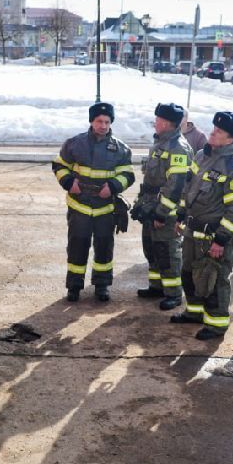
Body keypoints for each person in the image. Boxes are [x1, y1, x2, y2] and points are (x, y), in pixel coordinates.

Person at [170, 111, 233, 340]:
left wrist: (221, 240)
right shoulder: (201, 156)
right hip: (191, 231)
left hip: (212, 238)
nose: (212, 133)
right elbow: (189, 188)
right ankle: (194, 312)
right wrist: (180, 215)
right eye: (214, 129)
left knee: (214, 282)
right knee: (188, 274)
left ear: (231, 139)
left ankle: (216, 325)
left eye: (219, 131)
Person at [53, 102, 134, 302]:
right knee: (77, 246)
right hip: (79, 206)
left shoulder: (120, 149)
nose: (103, 125)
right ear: (91, 121)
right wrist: (69, 182)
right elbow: (59, 165)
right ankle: (74, 287)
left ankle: (102, 285)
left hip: (105, 208)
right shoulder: (74, 143)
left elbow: (128, 174)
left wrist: (114, 186)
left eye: (107, 121)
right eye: (99, 121)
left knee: (104, 247)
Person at [133, 103, 194, 310]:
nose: (155, 123)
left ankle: (174, 293)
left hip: (164, 210)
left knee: (167, 251)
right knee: (151, 248)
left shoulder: (178, 147)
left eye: (158, 120)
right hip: (151, 206)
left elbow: (176, 186)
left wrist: (161, 213)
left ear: (168, 123)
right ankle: (156, 286)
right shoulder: (160, 143)